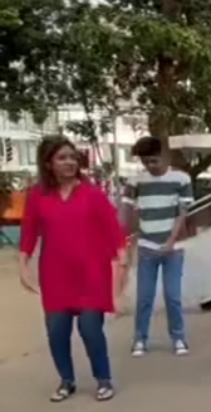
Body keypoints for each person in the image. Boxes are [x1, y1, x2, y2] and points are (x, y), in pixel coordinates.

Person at [19, 135, 128, 402]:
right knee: (57, 332)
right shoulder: (38, 195)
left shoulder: (92, 194)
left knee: (90, 330)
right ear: (48, 163)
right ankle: (66, 381)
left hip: (92, 273)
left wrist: (121, 267)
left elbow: (114, 232)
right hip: (55, 275)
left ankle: (103, 379)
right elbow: (29, 232)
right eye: (62, 158)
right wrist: (23, 266)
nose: (69, 162)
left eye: (72, 157)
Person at [123, 136, 194, 357]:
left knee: (173, 296)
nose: (150, 166)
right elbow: (126, 211)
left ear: (164, 155)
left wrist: (171, 240)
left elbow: (182, 213)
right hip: (146, 246)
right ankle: (140, 339)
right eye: (145, 162)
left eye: (153, 161)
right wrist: (127, 238)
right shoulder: (136, 182)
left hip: (173, 248)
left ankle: (178, 337)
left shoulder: (181, 179)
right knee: (144, 297)